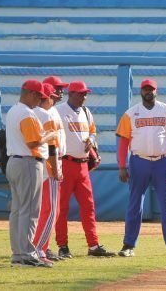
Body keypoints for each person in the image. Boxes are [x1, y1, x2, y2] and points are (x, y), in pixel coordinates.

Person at [115, 79, 166, 257]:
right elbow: (123, 142)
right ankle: (128, 245)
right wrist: (122, 165)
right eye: (145, 89)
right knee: (135, 204)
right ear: (140, 91)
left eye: (151, 89)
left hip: (163, 161)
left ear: (156, 91)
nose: (148, 92)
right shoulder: (131, 113)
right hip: (139, 161)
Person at [56, 81, 116, 258]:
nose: (84, 97)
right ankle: (63, 246)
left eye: (85, 93)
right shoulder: (59, 111)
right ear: (71, 93)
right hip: (65, 162)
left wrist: (91, 140)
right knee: (62, 207)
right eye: (81, 93)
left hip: (82, 164)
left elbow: (92, 131)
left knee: (88, 206)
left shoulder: (86, 112)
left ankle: (93, 244)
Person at [7, 80, 56, 267]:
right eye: (38, 96)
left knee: (18, 210)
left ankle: (18, 253)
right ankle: (26, 253)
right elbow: (33, 142)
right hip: (28, 161)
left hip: (15, 161)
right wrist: (49, 136)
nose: (39, 100)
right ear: (30, 93)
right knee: (29, 210)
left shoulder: (13, 110)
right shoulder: (27, 113)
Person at [32, 83, 65, 266]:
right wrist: (56, 168)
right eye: (51, 96)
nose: (53, 99)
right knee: (51, 210)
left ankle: (30, 248)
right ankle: (39, 248)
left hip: (33, 164)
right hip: (48, 164)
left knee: (34, 211)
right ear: (45, 97)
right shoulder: (45, 114)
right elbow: (52, 145)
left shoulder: (30, 112)